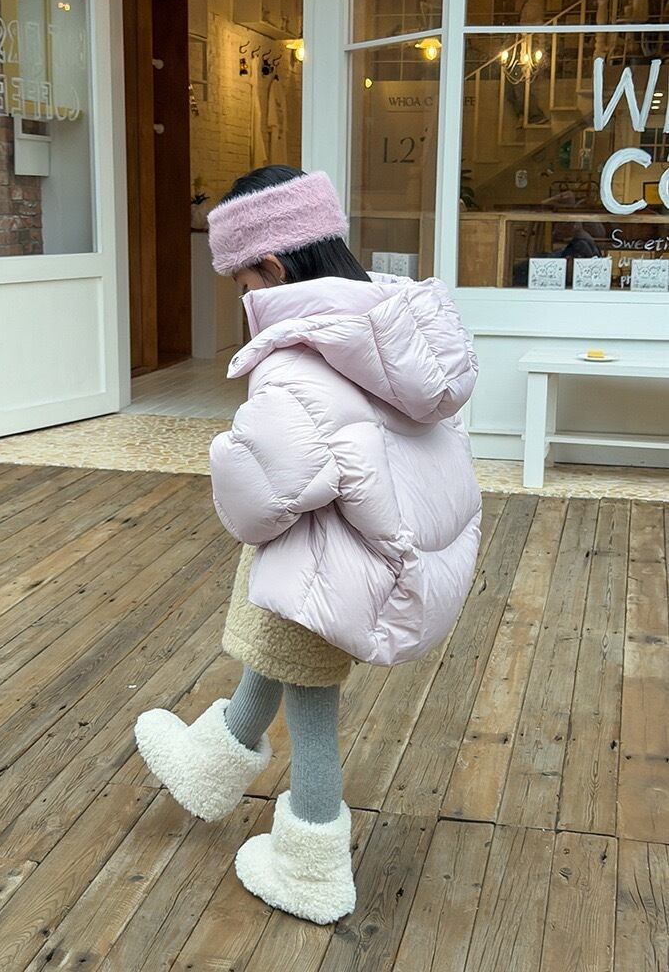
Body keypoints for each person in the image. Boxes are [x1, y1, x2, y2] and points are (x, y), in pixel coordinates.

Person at [133, 166, 482, 925]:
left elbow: (261, 496)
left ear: (273, 267)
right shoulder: (386, 323)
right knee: (277, 647)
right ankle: (212, 761)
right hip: (379, 542)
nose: (240, 295)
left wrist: (229, 454)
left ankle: (312, 866)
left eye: (240, 280)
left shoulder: (296, 357)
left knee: (311, 702)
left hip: (336, 560)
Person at [505, 0, 549, 125]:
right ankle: (525, 114)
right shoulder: (526, 5)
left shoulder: (532, 7)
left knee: (521, 85)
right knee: (515, 87)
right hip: (523, 51)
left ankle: (532, 114)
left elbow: (531, 31)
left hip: (528, 51)